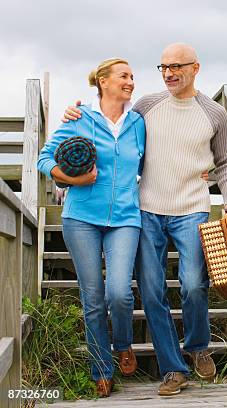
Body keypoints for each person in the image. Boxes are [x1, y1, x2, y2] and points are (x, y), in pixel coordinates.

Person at [64, 43, 227, 396]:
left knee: (192, 283)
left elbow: (225, 162)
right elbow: (112, 126)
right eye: (162, 67)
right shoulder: (146, 105)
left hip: (192, 207)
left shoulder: (214, 114)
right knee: (152, 290)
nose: (169, 73)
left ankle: (197, 346)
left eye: (176, 66)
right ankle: (173, 369)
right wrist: (75, 114)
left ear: (196, 68)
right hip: (147, 207)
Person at [39, 58, 145, 398]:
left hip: (126, 218)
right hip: (81, 217)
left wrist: (200, 170)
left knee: (119, 292)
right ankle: (101, 369)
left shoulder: (138, 123)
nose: (130, 81)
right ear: (103, 81)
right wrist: (72, 178)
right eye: (123, 76)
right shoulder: (80, 117)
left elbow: (156, 160)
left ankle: (124, 343)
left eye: (132, 76)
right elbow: (45, 158)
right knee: (94, 299)